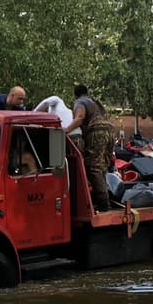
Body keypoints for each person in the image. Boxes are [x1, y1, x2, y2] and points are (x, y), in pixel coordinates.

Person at [65, 82, 114, 212]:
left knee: (93, 167)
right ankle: (105, 198)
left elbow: (80, 118)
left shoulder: (80, 102)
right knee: (102, 165)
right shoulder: (95, 102)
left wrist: (66, 130)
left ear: (75, 94)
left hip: (96, 133)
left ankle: (104, 203)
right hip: (110, 132)